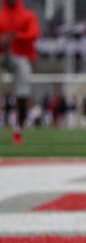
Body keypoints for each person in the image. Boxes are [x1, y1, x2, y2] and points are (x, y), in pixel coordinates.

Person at [0, 0, 39, 145]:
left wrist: (16, 36)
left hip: (20, 56)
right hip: (2, 54)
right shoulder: (1, 16)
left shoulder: (28, 15)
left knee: (23, 92)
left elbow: (34, 33)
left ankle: (18, 130)